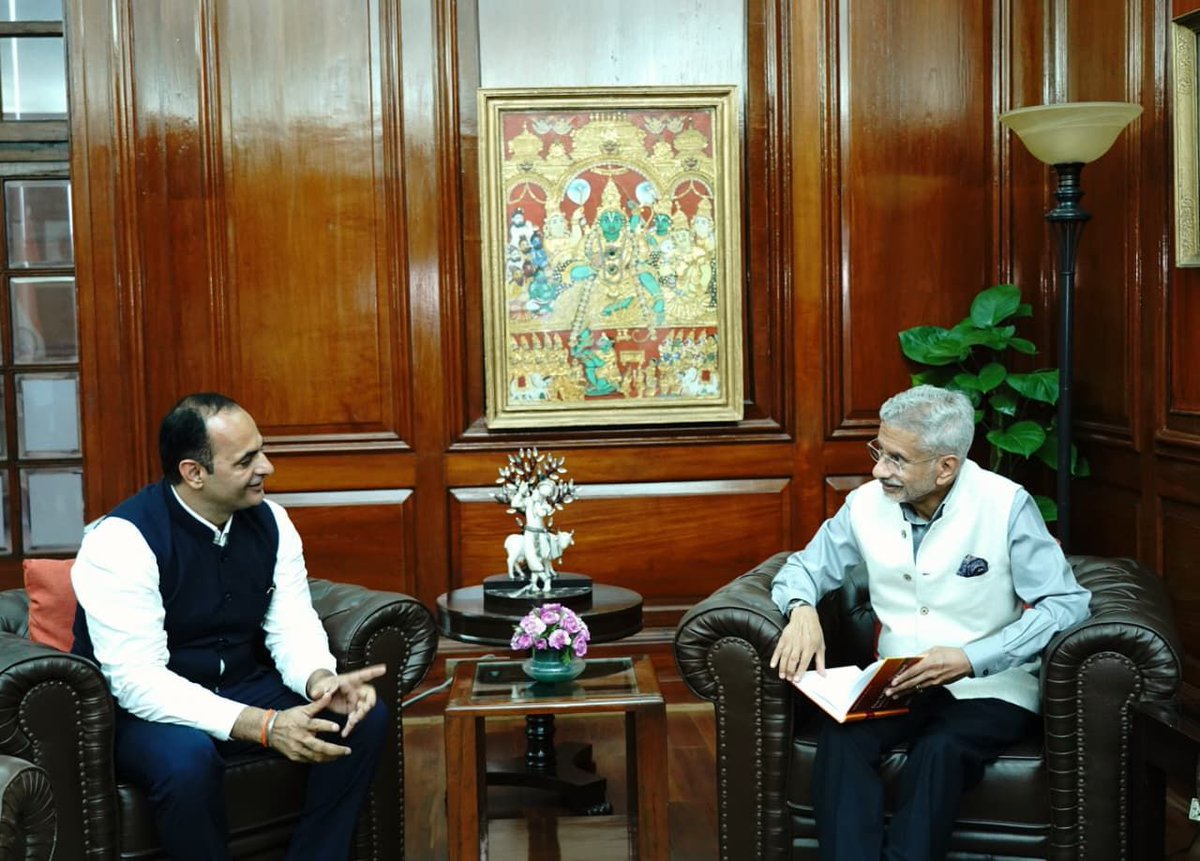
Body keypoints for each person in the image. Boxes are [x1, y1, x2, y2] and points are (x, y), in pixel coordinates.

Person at [769, 385, 1091, 860]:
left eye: (897, 459)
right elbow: (802, 568)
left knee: (942, 750)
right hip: (897, 679)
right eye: (880, 450)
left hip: (993, 687)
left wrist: (971, 657)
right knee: (842, 737)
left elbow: (1065, 602)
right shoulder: (864, 504)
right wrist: (801, 609)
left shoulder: (1006, 505)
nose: (880, 469)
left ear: (946, 467)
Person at [71, 393, 388, 860]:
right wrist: (260, 725)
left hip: (240, 685)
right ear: (194, 473)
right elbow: (137, 681)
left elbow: (292, 626)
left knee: (360, 718)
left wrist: (322, 681)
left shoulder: (274, 523)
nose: (267, 467)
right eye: (246, 460)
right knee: (187, 762)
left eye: (261, 450)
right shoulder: (120, 541)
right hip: (137, 710)